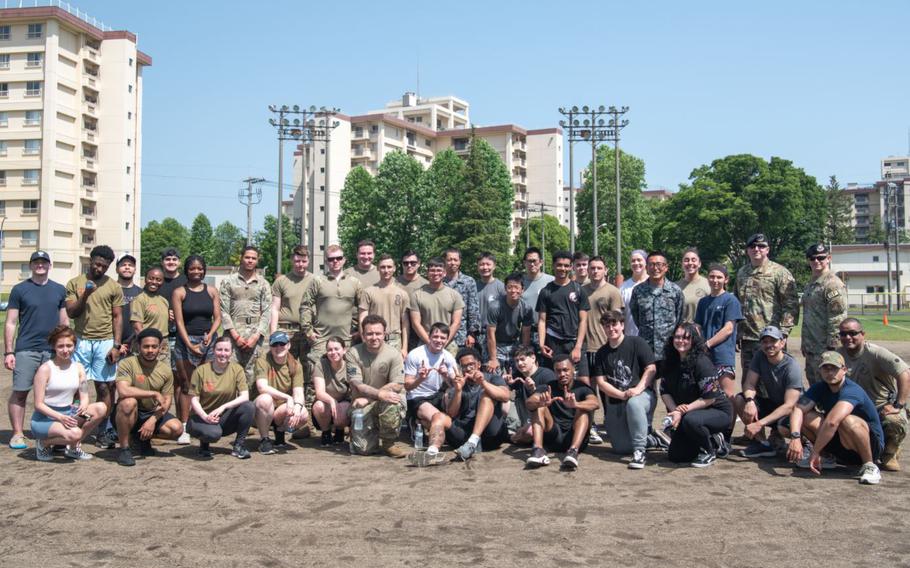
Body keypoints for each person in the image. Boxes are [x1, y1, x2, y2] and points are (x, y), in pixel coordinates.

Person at [785, 351, 884, 485]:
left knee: (847, 420)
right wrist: (795, 437)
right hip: (843, 442)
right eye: (826, 368)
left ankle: (869, 465)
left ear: (844, 370)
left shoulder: (852, 390)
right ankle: (827, 457)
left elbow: (832, 422)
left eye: (834, 368)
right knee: (806, 416)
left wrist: (815, 451)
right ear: (820, 370)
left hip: (870, 446)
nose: (830, 372)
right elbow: (797, 409)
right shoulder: (819, 387)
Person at [4, 250, 68, 450]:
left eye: (44, 262)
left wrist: (66, 346)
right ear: (31, 266)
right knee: (21, 392)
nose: (40, 265)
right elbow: (11, 322)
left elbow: (64, 320)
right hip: (26, 349)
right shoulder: (20, 290)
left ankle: (53, 433)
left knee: (53, 394)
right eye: (36, 262)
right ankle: (17, 434)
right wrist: (9, 351)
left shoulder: (59, 290)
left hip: (52, 351)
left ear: (49, 265)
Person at [65, 245, 124, 450]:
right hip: (81, 339)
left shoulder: (114, 286)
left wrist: (116, 345)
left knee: (104, 386)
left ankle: (103, 431)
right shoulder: (75, 283)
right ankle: (69, 427)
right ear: (90, 261)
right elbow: (72, 312)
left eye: (105, 266)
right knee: (76, 386)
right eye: (97, 264)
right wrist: (86, 294)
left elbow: (117, 316)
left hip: (105, 340)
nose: (100, 269)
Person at [837, 318, 909, 472]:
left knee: (895, 420)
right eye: (843, 334)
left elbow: (904, 374)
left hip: (881, 407)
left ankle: (890, 452)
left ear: (863, 334)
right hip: (854, 411)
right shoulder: (838, 355)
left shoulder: (876, 353)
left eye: (853, 333)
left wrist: (899, 404)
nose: (847, 337)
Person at [592, 310, 657, 469]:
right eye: (607, 326)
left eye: (614, 324)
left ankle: (640, 452)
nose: (611, 329)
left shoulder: (637, 343)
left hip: (643, 396)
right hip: (618, 399)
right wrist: (621, 395)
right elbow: (601, 382)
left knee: (633, 404)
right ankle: (651, 439)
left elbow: (651, 369)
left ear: (622, 325)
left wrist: (637, 389)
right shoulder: (601, 353)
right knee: (620, 448)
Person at [30, 325, 106, 462]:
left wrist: (82, 405)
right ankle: (44, 443)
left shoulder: (78, 367)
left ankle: (72, 448)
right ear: (54, 346)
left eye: (69, 345)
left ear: (75, 346)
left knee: (100, 408)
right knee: (75, 433)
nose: (65, 350)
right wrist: (60, 417)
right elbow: (38, 404)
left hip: (69, 413)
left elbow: (84, 395)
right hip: (46, 418)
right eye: (61, 346)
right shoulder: (45, 369)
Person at [661, 323, 733, 467]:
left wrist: (682, 411)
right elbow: (664, 390)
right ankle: (710, 440)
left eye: (686, 338)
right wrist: (675, 410)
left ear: (693, 340)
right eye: (678, 337)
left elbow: (709, 398)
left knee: (691, 420)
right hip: (689, 412)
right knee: (676, 456)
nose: (681, 341)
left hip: (716, 410)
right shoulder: (670, 362)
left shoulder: (702, 362)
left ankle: (710, 450)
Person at [421, 347, 510, 464]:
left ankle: (473, 442)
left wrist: (483, 383)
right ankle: (432, 453)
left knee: (487, 395)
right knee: (438, 416)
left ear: (478, 364)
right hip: (464, 434)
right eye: (464, 366)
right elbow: (452, 413)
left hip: (490, 434)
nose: (468, 368)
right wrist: (458, 390)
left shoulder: (493, 378)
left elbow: (505, 396)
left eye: (471, 364)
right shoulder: (459, 383)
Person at [113, 328, 183, 466]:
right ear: (138, 347)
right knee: (129, 402)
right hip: (129, 412)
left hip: (151, 412)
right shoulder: (127, 363)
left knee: (177, 429)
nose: (150, 350)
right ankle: (124, 448)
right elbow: (122, 390)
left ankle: (142, 439)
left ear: (160, 348)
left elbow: (167, 401)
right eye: (146, 346)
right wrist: (154, 393)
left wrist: (152, 420)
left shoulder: (165, 370)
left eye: (154, 346)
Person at [734, 233, 799, 380]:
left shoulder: (780, 272)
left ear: (767, 249)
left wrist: (783, 333)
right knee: (749, 381)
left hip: (772, 338)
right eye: (752, 246)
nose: (757, 249)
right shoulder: (741, 273)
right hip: (748, 339)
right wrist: (737, 333)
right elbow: (737, 304)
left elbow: (791, 305)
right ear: (747, 250)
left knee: (774, 380)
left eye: (761, 246)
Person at [172, 255, 222, 444]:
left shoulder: (211, 291)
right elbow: (179, 321)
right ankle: (184, 427)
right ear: (186, 270)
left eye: (199, 268)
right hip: (185, 343)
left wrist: (210, 335)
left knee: (206, 385)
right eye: (192, 269)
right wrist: (190, 345)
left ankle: (205, 422)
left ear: (204, 270)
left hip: (208, 341)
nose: (196, 272)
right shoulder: (179, 292)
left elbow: (217, 317)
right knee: (186, 386)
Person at [734, 326, 803, 458]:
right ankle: (763, 444)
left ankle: (805, 444)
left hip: (793, 413)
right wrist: (749, 401)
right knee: (740, 399)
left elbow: (789, 406)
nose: (769, 345)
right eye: (765, 342)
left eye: (773, 341)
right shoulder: (760, 356)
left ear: (782, 343)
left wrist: (759, 424)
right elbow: (749, 383)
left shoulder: (791, 366)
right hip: (773, 404)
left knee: (784, 427)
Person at [345, 315, 408, 457]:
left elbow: (397, 385)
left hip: (381, 401)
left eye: (378, 333)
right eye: (369, 333)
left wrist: (372, 398)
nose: (374, 337)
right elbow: (357, 384)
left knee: (392, 401)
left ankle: (388, 443)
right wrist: (378, 395)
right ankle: (361, 432)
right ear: (363, 334)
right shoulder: (353, 353)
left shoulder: (394, 354)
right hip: (362, 405)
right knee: (363, 450)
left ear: (384, 334)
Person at [186, 334, 255, 459]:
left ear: (231, 352)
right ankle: (204, 445)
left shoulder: (237, 369)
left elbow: (244, 396)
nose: (223, 354)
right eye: (219, 350)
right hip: (200, 417)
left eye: (226, 350)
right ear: (213, 351)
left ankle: (239, 446)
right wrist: (205, 417)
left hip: (222, 417)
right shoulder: (201, 371)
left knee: (249, 407)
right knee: (213, 434)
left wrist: (223, 407)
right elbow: (193, 399)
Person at [525, 354, 599, 470]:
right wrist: (541, 402)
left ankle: (573, 451)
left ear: (573, 369)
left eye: (565, 370)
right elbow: (529, 402)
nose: (562, 374)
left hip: (574, 436)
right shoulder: (548, 387)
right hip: (553, 435)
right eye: (558, 371)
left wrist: (576, 404)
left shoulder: (582, 387)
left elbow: (595, 403)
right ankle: (538, 450)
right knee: (538, 407)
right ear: (554, 372)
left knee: (584, 410)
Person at [695, 263, 743, 429]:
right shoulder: (703, 302)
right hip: (705, 355)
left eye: (719, 277)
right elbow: (698, 325)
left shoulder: (731, 300)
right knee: (708, 392)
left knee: (727, 394)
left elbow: (728, 328)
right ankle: (714, 427)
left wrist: (708, 343)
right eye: (712, 276)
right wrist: (699, 342)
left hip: (722, 354)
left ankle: (728, 430)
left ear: (726, 280)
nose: (715, 280)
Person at [581, 255, 623, 444]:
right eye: (592, 268)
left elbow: (618, 320)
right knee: (589, 389)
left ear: (605, 270)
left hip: (605, 348)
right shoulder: (581, 291)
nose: (595, 271)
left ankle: (612, 424)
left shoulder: (613, 292)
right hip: (585, 348)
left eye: (599, 268)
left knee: (608, 390)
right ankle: (591, 426)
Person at [220, 245, 272, 383]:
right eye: (247, 257)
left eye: (253, 258)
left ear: (257, 261)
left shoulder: (263, 284)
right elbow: (223, 310)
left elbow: (267, 312)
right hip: (233, 334)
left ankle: (251, 404)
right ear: (241, 258)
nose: (250, 261)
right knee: (230, 375)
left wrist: (256, 336)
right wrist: (235, 335)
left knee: (253, 377)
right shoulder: (228, 281)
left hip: (254, 336)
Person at [301, 244, 363, 356]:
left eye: (339, 258)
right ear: (326, 261)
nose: (335, 261)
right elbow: (305, 305)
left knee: (347, 372)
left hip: (347, 340)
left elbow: (364, 308)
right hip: (322, 340)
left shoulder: (355, 282)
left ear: (344, 260)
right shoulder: (318, 281)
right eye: (331, 259)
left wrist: (360, 330)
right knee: (318, 371)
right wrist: (308, 331)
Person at [252, 331, 308, 455]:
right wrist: (288, 397)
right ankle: (264, 439)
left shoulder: (295, 364)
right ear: (270, 346)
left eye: (282, 344)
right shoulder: (263, 360)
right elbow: (262, 387)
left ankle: (280, 431)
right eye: (275, 345)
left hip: (281, 409)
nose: (278, 348)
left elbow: (299, 392)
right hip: (261, 409)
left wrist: (297, 407)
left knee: (303, 413)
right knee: (265, 399)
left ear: (288, 345)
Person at [536, 250, 590, 378]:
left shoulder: (579, 290)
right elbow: (542, 321)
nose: (563, 268)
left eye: (566, 265)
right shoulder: (546, 291)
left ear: (571, 267)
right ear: (553, 266)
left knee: (583, 382)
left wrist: (578, 347)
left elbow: (583, 321)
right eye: (559, 265)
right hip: (554, 343)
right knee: (555, 381)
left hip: (574, 343)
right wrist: (542, 344)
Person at [801, 243, 848, 385]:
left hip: (825, 349)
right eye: (812, 258)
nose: (816, 261)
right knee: (816, 388)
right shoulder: (812, 284)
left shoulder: (832, 284)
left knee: (829, 387)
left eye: (821, 258)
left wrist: (832, 350)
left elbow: (837, 319)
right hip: (812, 348)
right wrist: (805, 343)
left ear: (828, 258)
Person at [629, 251, 684, 373]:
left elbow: (679, 318)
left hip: (669, 349)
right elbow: (636, 317)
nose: (655, 268)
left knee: (669, 387)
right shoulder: (638, 291)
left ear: (666, 267)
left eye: (659, 264)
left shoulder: (675, 291)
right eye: (651, 264)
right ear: (647, 267)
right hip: (645, 349)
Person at [404, 323, 457, 445]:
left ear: (447, 339)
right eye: (436, 336)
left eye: (443, 338)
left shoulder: (448, 357)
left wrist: (445, 376)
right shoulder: (415, 354)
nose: (439, 340)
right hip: (417, 397)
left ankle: (422, 423)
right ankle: (416, 420)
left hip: (437, 395)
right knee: (440, 420)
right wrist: (420, 379)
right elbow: (407, 385)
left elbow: (455, 385)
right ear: (429, 337)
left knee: (454, 409)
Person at [359, 254, 411, 358]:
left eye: (389, 267)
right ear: (378, 268)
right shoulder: (368, 292)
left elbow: (405, 323)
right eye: (382, 267)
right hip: (373, 339)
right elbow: (362, 319)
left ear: (394, 268)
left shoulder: (402, 293)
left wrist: (404, 348)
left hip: (394, 341)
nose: (386, 270)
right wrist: (364, 341)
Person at [409, 257, 463, 353]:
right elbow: (415, 323)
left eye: (439, 270)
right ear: (427, 273)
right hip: (425, 341)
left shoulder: (455, 295)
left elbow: (456, 323)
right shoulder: (417, 295)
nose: (435, 273)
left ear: (444, 273)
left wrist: (443, 342)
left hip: (448, 343)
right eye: (432, 270)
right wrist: (430, 343)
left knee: (451, 368)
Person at [270, 244, 314, 361]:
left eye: (304, 261)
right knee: (285, 366)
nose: (300, 264)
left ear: (308, 261)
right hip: (286, 330)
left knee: (309, 370)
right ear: (292, 260)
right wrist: (273, 333)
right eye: (297, 261)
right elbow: (275, 308)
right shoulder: (281, 281)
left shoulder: (316, 281)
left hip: (308, 331)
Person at [485, 273, 534, 375]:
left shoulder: (526, 308)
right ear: (505, 288)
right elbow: (490, 335)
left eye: (516, 287)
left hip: (513, 344)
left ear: (522, 289)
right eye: (510, 287)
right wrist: (493, 359)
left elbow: (526, 333)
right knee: (494, 374)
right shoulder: (495, 307)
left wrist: (523, 354)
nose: (513, 291)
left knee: (518, 373)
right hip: (496, 344)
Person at [311, 336, 351, 446]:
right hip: (326, 403)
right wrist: (332, 401)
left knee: (346, 408)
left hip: (343, 403)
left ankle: (339, 430)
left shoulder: (350, 365)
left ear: (344, 350)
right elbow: (319, 392)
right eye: (330, 350)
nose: (333, 352)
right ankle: (326, 432)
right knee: (319, 406)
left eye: (336, 349)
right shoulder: (321, 365)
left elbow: (355, 390)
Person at [130, 266, 170, 364]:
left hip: (163, 345)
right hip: (148, 345)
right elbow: (137, 327)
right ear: (145, 279)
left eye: (158, 280)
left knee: (163, 375)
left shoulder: (164, 301)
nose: (154, 282)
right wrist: (149, 346)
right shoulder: (139, 299)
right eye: (151, 278)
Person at [444, 247, 480, 350]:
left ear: (460, 261)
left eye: (455, 260)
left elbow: (473, 309)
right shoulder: (439, 281)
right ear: (445, 261)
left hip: (461, 336)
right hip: (441, 335)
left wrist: (472, 334)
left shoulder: (468, 281)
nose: (452, 263)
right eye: (449, 259)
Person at [158, 247, 187, 372]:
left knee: (180, 373)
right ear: (162, 262)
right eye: (167, 259)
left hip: (182, 334)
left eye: (174, 259)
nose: (171, 262)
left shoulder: (186, 281)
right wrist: (165, 314)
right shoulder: (156, 280)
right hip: (161, 334)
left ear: (179, 262)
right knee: (161, 372)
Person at [475, 252, 505, 360]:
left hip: (495, 335)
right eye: (481, 264)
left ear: (494, 266)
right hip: (476, 335)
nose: (485, 267)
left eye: (488, 264)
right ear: (477, 266)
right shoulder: (473, 286)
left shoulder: (501, 288)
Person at [521, 247, 554, 334]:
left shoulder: (551, 281)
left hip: (547, 330)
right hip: (525, 331)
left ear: (541, 262)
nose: (532, 264)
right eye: (529, 261)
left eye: (534, 261)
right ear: (524, 263)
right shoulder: (518, 282)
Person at [675, 248, 710, 323]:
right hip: (681, 332)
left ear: (699, 263)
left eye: (693, 260)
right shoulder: (675, 287)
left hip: (704, 332)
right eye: (686, 260)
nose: (690, 263)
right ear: (682, 264)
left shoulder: (709, 284)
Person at [116, 254, 142, 354]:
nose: (127, 267)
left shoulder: (141, 293)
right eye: (123, 265)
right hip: (112, 344)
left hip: (134, 345)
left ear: (135, 270)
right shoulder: (110, 290)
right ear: (117, 269)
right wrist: (116, 344)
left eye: (130, 265)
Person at [619, 249, 648, 336]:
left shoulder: (653, 284)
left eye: (639, 260)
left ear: (646, 262)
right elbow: (620, 314)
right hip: (630, 336)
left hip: (649, 338)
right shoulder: (623, 287)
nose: (636, 263)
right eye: (633, 261)